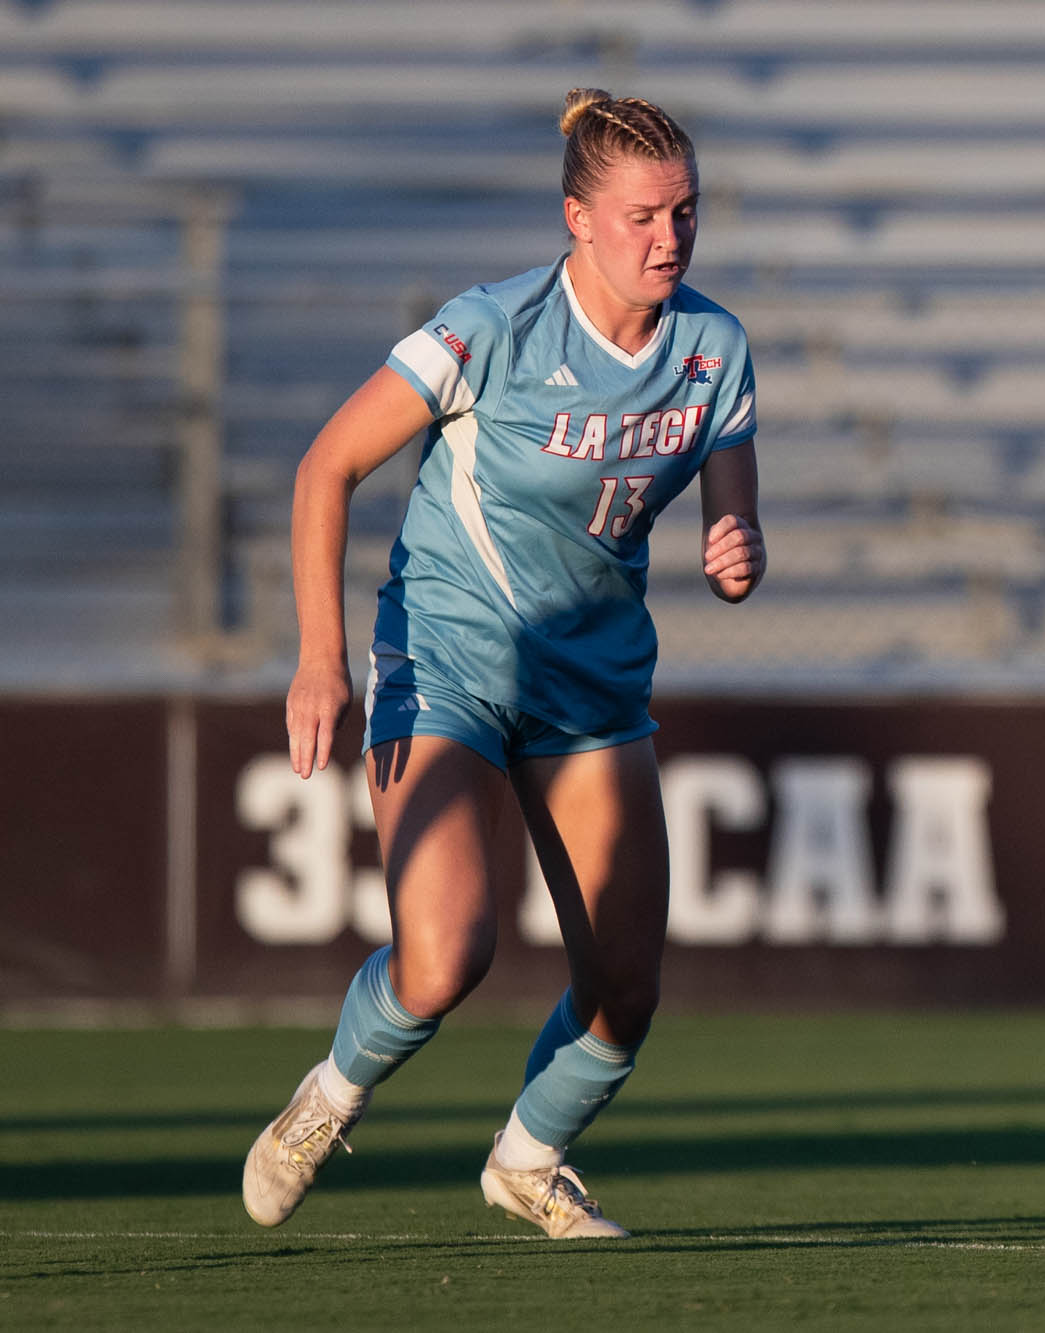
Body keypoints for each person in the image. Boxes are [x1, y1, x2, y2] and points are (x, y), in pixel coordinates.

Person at [242, 87, 763, 1239]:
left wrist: (739, 548)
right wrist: (320, 662)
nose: (668, 237)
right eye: (641, 215)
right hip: (449, 653)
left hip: (592, 687)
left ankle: (526, 1158)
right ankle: (328, 1097)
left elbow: (735, 528)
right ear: (575, 217)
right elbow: (325, 466)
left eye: (685, 211)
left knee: (625, 990)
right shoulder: (490, 328)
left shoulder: (714, 347)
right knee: (445, 957)